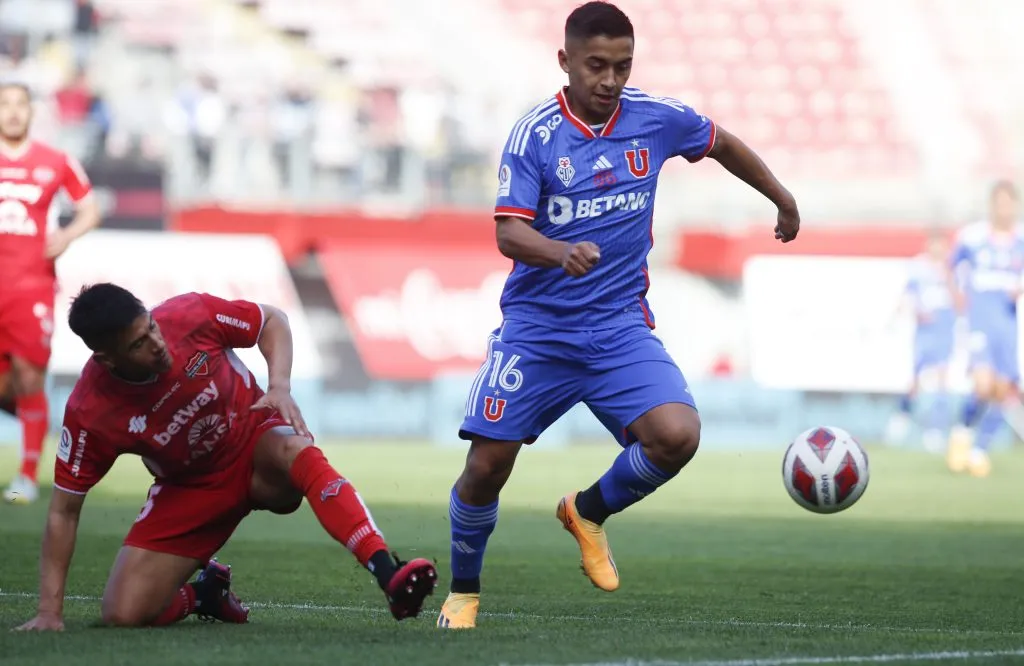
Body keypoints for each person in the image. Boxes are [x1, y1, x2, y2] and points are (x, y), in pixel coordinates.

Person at [436, 1, 800, 630]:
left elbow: (723, 144)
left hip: (617, 328)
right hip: (538, 333)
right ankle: (463, 595)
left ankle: (588, 511)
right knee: (486, 467)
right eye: (596, 66)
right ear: (566, 62)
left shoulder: (656, 119)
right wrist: (559, 252)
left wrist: (781, 196)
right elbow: (508, 234)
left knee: (677, 436)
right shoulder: (536, 136)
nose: (609, 80)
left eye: (622, 67)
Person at [15, 284, 437, 631]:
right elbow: (63, 512)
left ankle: (388, 574)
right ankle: (204, 594)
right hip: (191, 489)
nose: (157, 344)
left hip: (255, 446)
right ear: (107, 359)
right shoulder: (91, 411)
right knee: (122, 614)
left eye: (152, 328)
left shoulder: (189, 315)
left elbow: (272, 320)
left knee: (297, 448)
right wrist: (50, 612)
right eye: (140, 343)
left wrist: (280, 387)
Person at [0, 82, 101, 505]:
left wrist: (68, 234)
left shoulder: (55, 161)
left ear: (31, 112)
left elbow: (90, 207)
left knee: (29, 376)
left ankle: (26, 475)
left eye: (21, 104)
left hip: (31, 286)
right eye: (5, 104)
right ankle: (40, 429)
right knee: (10, 386)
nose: (13, 112)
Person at [947, 181, 1024, 478]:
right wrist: (958, 297)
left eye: (1008, 203)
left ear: (1014, 206)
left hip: (1007, 322)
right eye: (999, 202)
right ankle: (962, 433)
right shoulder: (973, 237)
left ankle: (979, 450)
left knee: (1003, 390)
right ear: (992, 205)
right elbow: (951, 267)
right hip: (980, 318)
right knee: (981, 385)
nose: (1003, 208)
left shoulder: (1020, 239)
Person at [884, 230, 958, 452]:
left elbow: (960, 300)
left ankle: (934, 430)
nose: (938, 249)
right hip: (925, 330)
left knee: (942, 380)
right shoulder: (918, 267)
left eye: (942, 245)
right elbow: (908, 293)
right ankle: (901, 419)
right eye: (934, 244)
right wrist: (899, 314)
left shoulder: (952, 268)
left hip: (944, 328)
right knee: (916, 380)